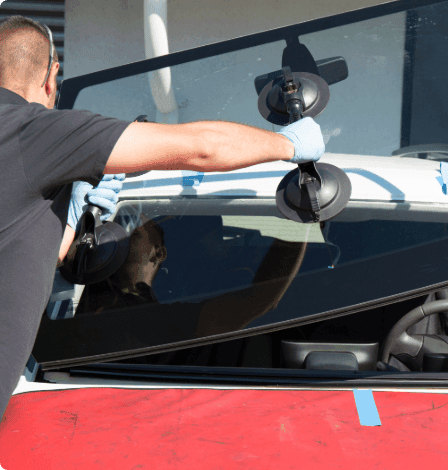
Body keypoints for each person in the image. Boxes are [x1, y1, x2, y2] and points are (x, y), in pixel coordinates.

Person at [0, 15, 325, 421]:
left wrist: (66, 224)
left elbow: (17, 253)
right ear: (52, 77)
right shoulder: (31, 132)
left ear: (160, 252)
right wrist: (287, 144)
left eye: (139, 226)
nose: (131, 225)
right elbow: (201, 149)